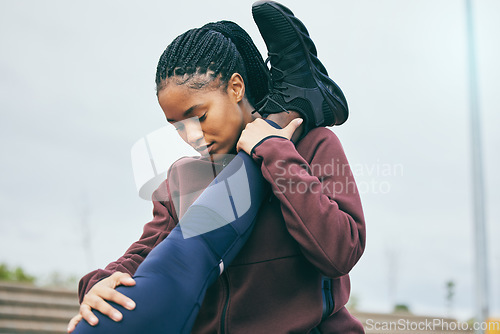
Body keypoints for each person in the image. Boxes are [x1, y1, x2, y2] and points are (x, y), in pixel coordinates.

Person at [68, 2, 366, 333]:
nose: (192, 136)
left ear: (236, 88)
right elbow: (146, 252)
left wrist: (274, 151)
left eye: (200, 116)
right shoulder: (183, 177)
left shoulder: (311, 146)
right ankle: (297, 98)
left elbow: (341, 251)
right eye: (178, 126)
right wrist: (100, 282)